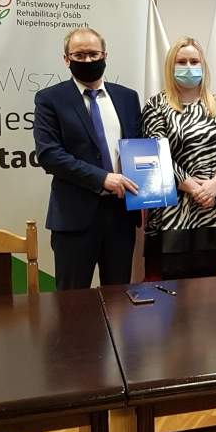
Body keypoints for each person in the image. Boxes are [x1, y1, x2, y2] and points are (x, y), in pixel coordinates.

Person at [34, 27, 141, 289]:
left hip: (121, 216)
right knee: (72, 301)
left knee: (118, 299)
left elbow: (138, 147)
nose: (88, 60)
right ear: (66, 59)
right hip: (74, 218)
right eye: (79, 55)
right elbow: (49, 155)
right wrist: (102, 178)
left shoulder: (127, 97)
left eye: (93, 54)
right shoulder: (50, 99)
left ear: (105, 55)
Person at [140, 37, 216, 280]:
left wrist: (213, 186)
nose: (188, 67)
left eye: (194, 61)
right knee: (173, 291)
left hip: (214, 209)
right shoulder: (156, 106)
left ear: (203, 65)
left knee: (209, 290)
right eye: (181, 62)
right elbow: (156, 153)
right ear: (170, 66)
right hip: (173, 214)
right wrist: (194, 188)